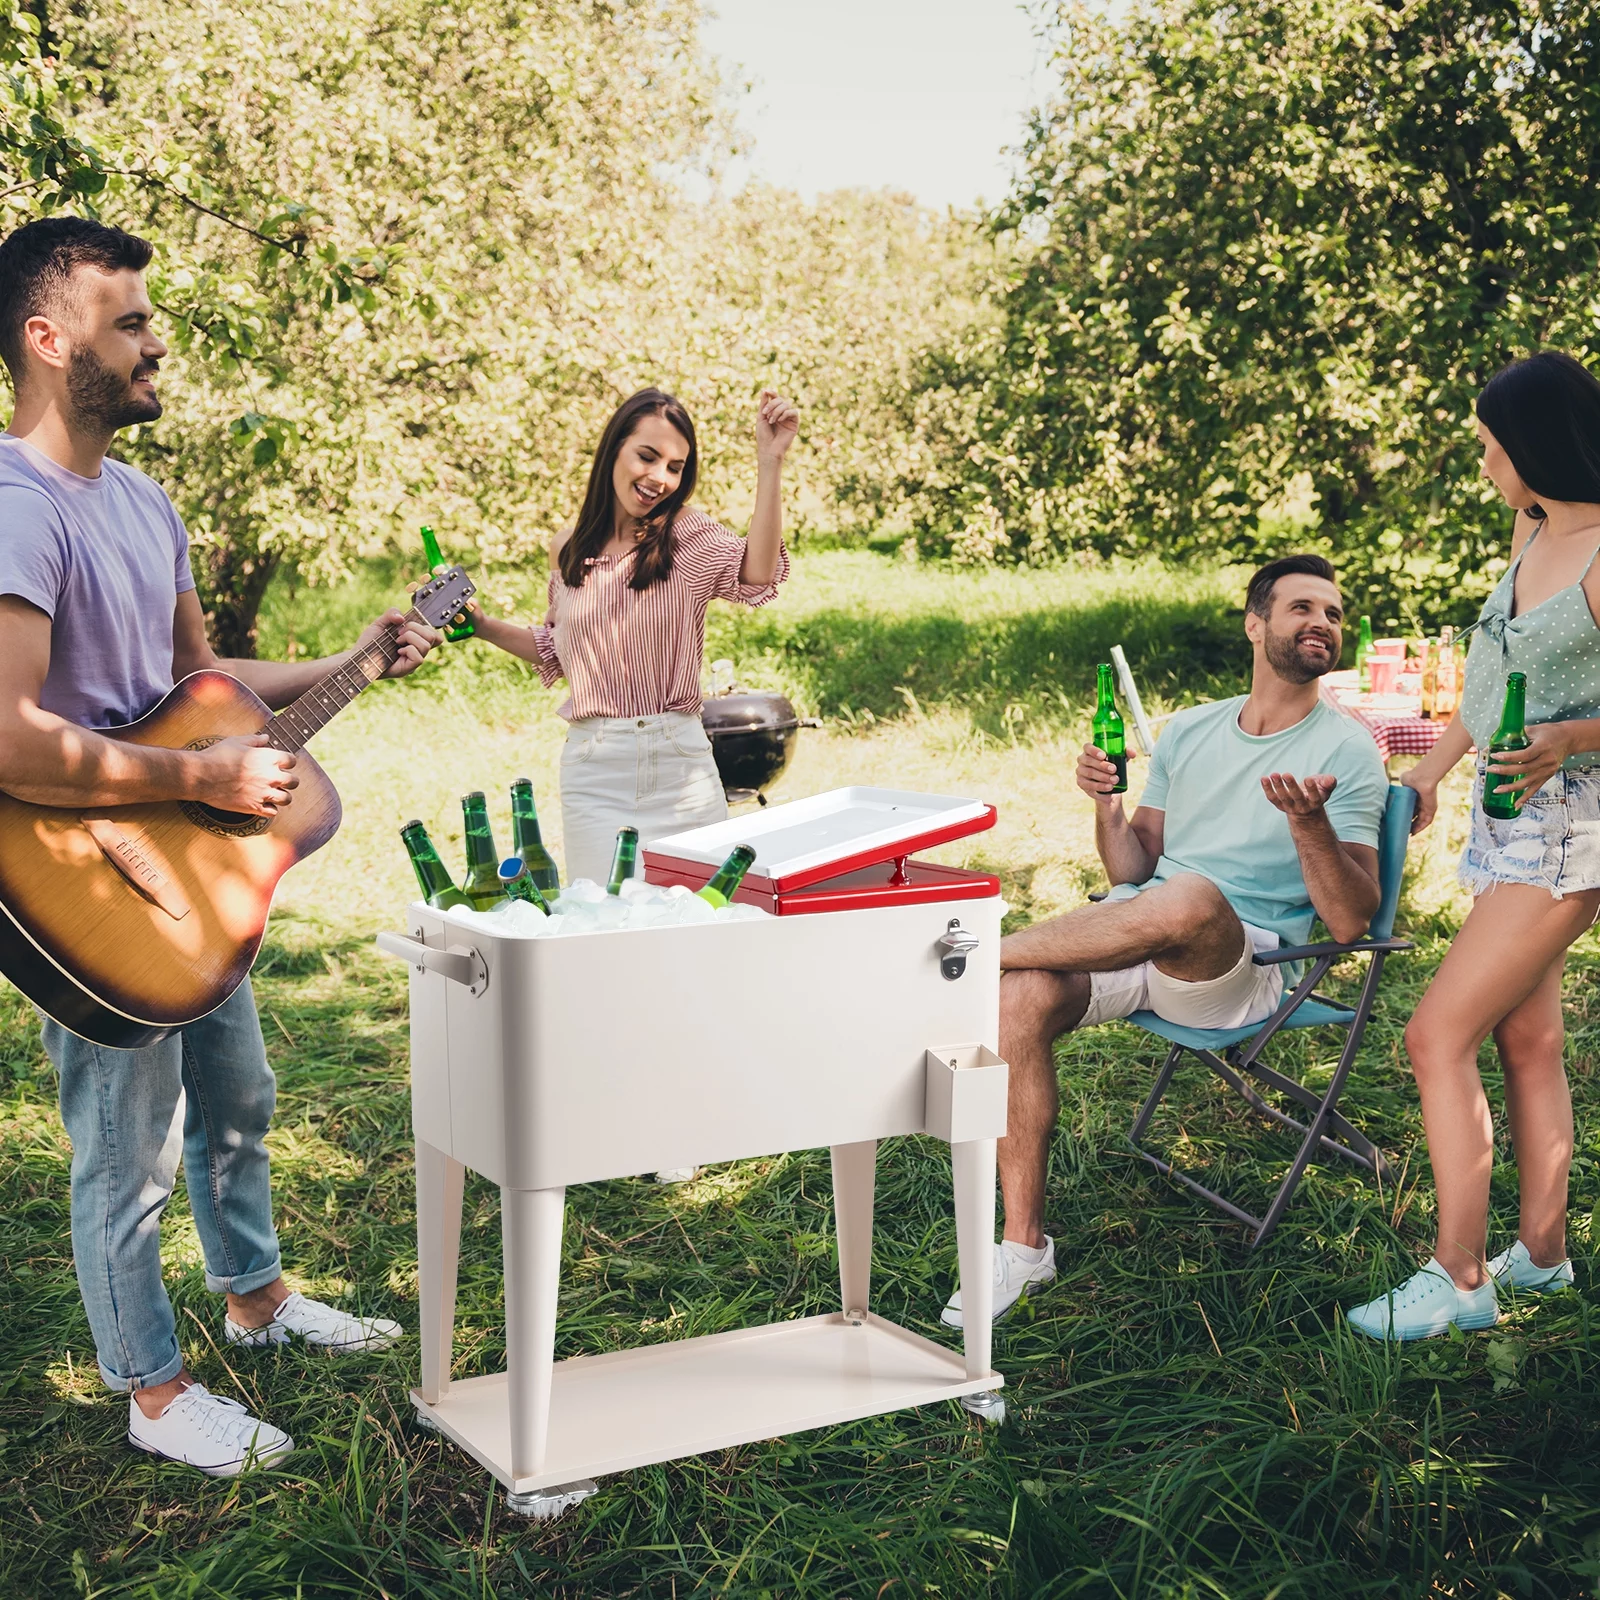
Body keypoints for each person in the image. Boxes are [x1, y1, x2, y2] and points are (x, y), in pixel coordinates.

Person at [0, 217, 441, 1474]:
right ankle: (153, 1392)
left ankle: (257, 1298)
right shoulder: (15, 507)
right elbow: (12, 740)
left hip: (193, 873)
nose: (155, 342)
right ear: (49, 339)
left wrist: (350, 660)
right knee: (123, 1150)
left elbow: (198, 679)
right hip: (89, 888)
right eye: (128, 320)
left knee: (239, 1099)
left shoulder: (144, 500)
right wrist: (204, 774)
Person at [942, 555, 1390, 1328]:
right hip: (1141, 929)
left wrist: (1310, 824)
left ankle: (965, 955)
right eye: (1302, 608)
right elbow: (1130, 867)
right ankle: (1023, 1248)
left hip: (1240, 966)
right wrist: (1107, 806)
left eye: (1334, 614)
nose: (1323, 622)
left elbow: (1352, 922)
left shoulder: (1350, 750)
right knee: (1018, 995)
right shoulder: (1189, 730)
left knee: (1189, 895)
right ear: (1256, 625)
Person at [1346, 351, 1600, 1341]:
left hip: (1568, 839)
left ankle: (1456, 1278)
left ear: (1534, 446)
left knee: (1433, 1034)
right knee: (1525, 1038)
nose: (1487, 463)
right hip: (1501, 828)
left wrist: (1571, 739)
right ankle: (1539, 1257)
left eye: (1492, 446)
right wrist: (1430, 770)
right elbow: (1490, 682)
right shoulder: (1531, 530)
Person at [468, 386, 798, 885]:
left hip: (680, 769)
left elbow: (757, 572)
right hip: (594, 773)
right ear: (614, 450)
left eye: (675, 466)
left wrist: (769, 462)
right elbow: (558, 652)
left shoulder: (688, 534)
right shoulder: (569, 547)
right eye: (647, 456)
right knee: (603, 926)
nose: (660, 478)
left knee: (694, 926)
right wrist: (481, 626)